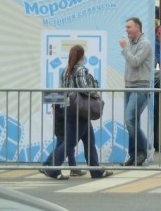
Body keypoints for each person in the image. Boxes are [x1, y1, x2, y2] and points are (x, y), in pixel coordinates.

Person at [41, 45, 112, 180]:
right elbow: (83, 89)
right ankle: (50, 166)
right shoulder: (80, 69)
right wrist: (95, 93)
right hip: (79, 111)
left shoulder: (66, 70)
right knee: (70, 142)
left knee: (89, 140)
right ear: (82, 56)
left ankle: (96, 171)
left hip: (70, 108)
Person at [120, 17, 153, 167]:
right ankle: (134, 154)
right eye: (126, 27)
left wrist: (125, 48)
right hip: (130, 86)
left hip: (140, 87)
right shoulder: (133, 43)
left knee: (129, 119)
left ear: (137, 28)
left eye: (129, 27)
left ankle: (145, 148)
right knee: (133, 121)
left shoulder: (145, 44)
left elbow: (134, 62)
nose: (127, 30)